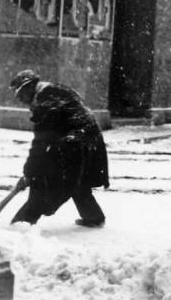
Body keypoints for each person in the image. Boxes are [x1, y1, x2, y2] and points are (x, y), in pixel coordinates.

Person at [9, 70, 109, 227]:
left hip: (75, 143)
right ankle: (93, 217)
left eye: (19, 94)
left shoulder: (46, 101)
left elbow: (41, 142)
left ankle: (23, 222)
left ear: (28, 87)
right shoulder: (53, 91)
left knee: (44, 183)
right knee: (78, 179)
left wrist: (29, 172)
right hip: (89, 140)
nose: (19, 100)